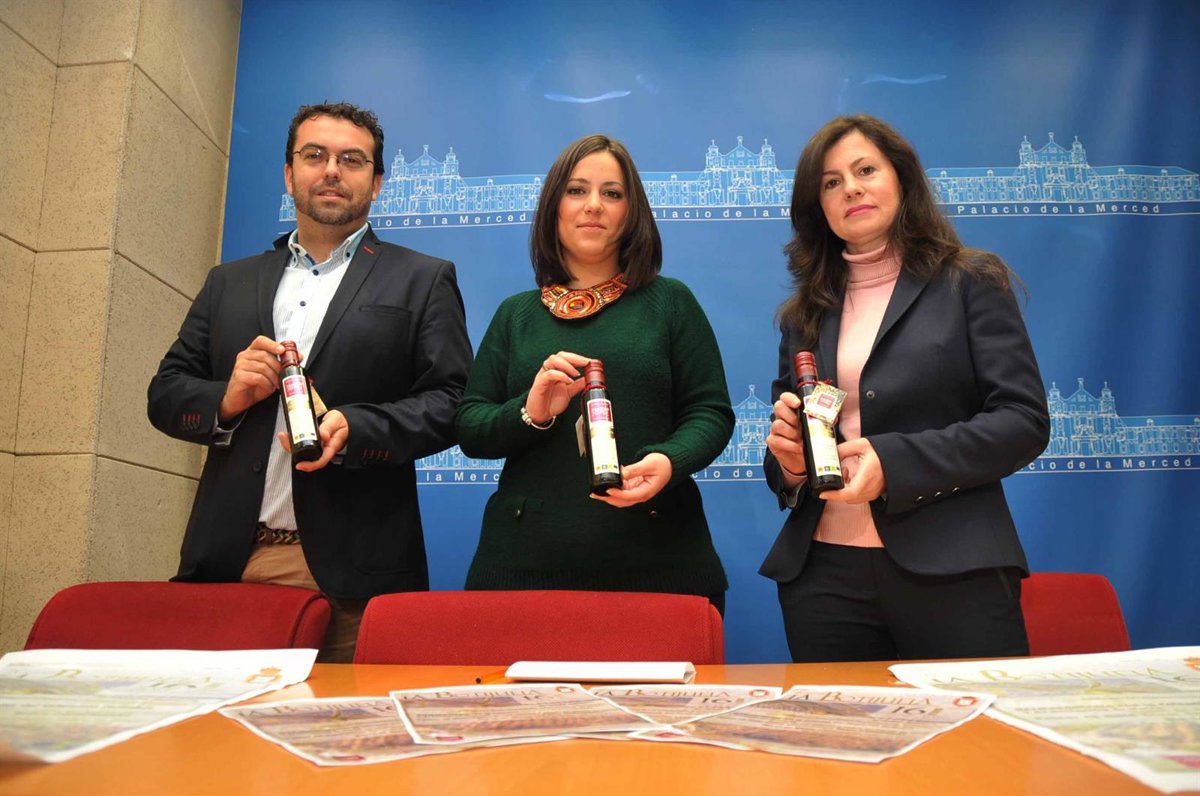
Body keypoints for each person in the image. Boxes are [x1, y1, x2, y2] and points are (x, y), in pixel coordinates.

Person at [147, 102, 472, 661]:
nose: (331, 170)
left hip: (353, 576)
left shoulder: (422, 279)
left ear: (377, 182)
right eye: (315, 155)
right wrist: (225, 399)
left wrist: (358, 428)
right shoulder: (228, 282)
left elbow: (452, 402)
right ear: (288, 172)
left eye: (352, 159)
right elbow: (166, 394)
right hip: (226, 563)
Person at [761, 114, 1050, 662]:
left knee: (975, 723)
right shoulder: (805, 314)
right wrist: (792, 466)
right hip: (823, 577)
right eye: (831, 182)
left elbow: (1023, 421)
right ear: (818, 207)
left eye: (866, 170)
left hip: (953, 569)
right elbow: (787, 450)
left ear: (902, 178)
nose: (851, 188)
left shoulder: (970, 280)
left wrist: (892, 464)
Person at [455, 134, 733, 613]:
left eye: (612, 193)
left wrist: (669, 460)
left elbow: (710, 413)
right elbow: (470, 427)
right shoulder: (515, 314)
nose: (594, 205)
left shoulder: (671, 302)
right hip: (523, 570)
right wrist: (530, 413)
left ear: (632, 212)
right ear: (554, 206)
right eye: (577, 190)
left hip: (662, 563)